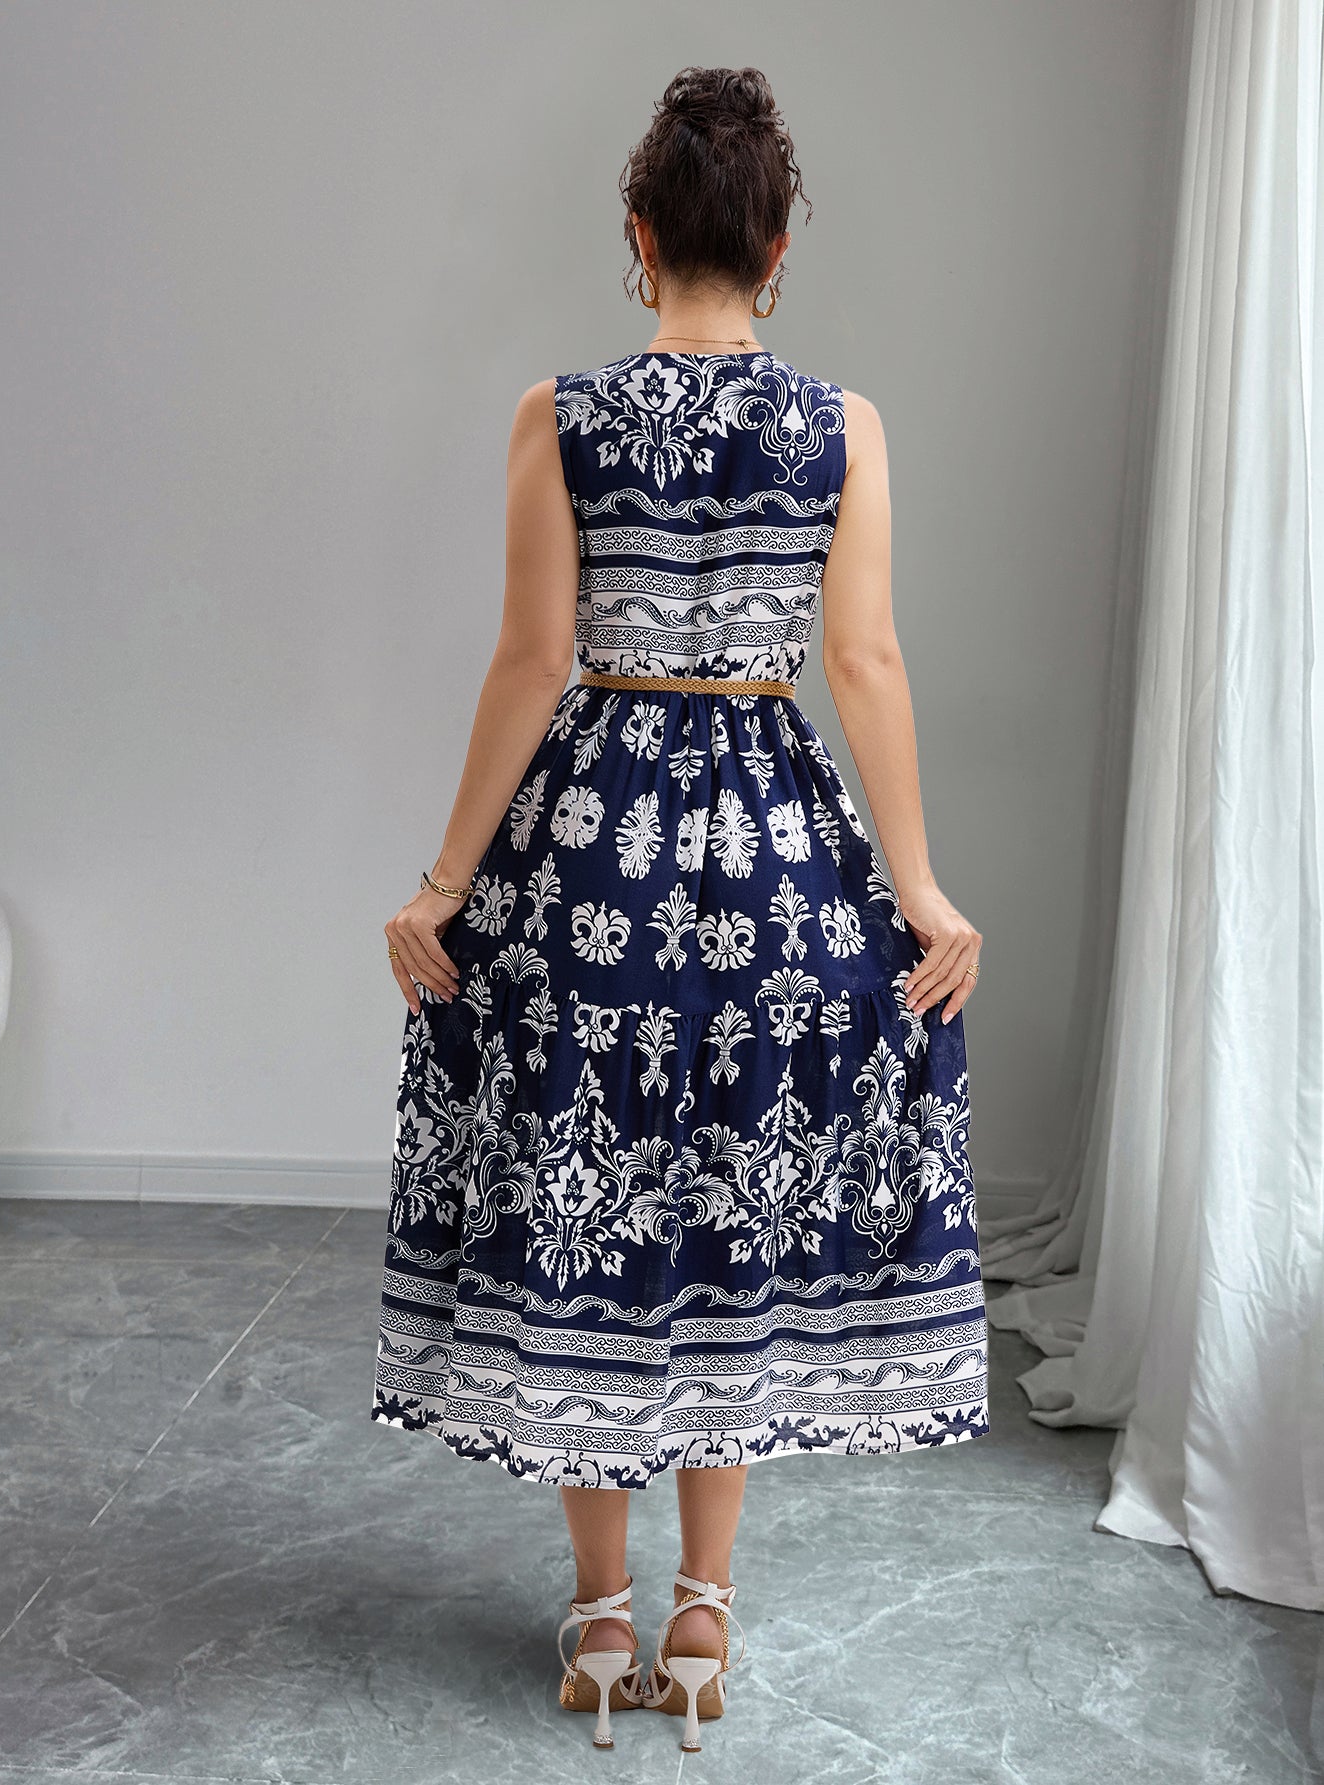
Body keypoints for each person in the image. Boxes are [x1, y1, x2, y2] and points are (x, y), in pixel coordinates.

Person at [371, 63, 988, 1754]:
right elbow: (860, 662)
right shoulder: (840, 428)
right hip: (776, 850)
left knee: (596, 1195)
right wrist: (918, 889)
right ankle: (702, 1621)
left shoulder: (555, 416)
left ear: (638, 237)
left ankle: (595, 1619)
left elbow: (531, 661)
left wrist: (444, 883)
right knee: (729, 1215)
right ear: (776, 247)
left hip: (597, 849)